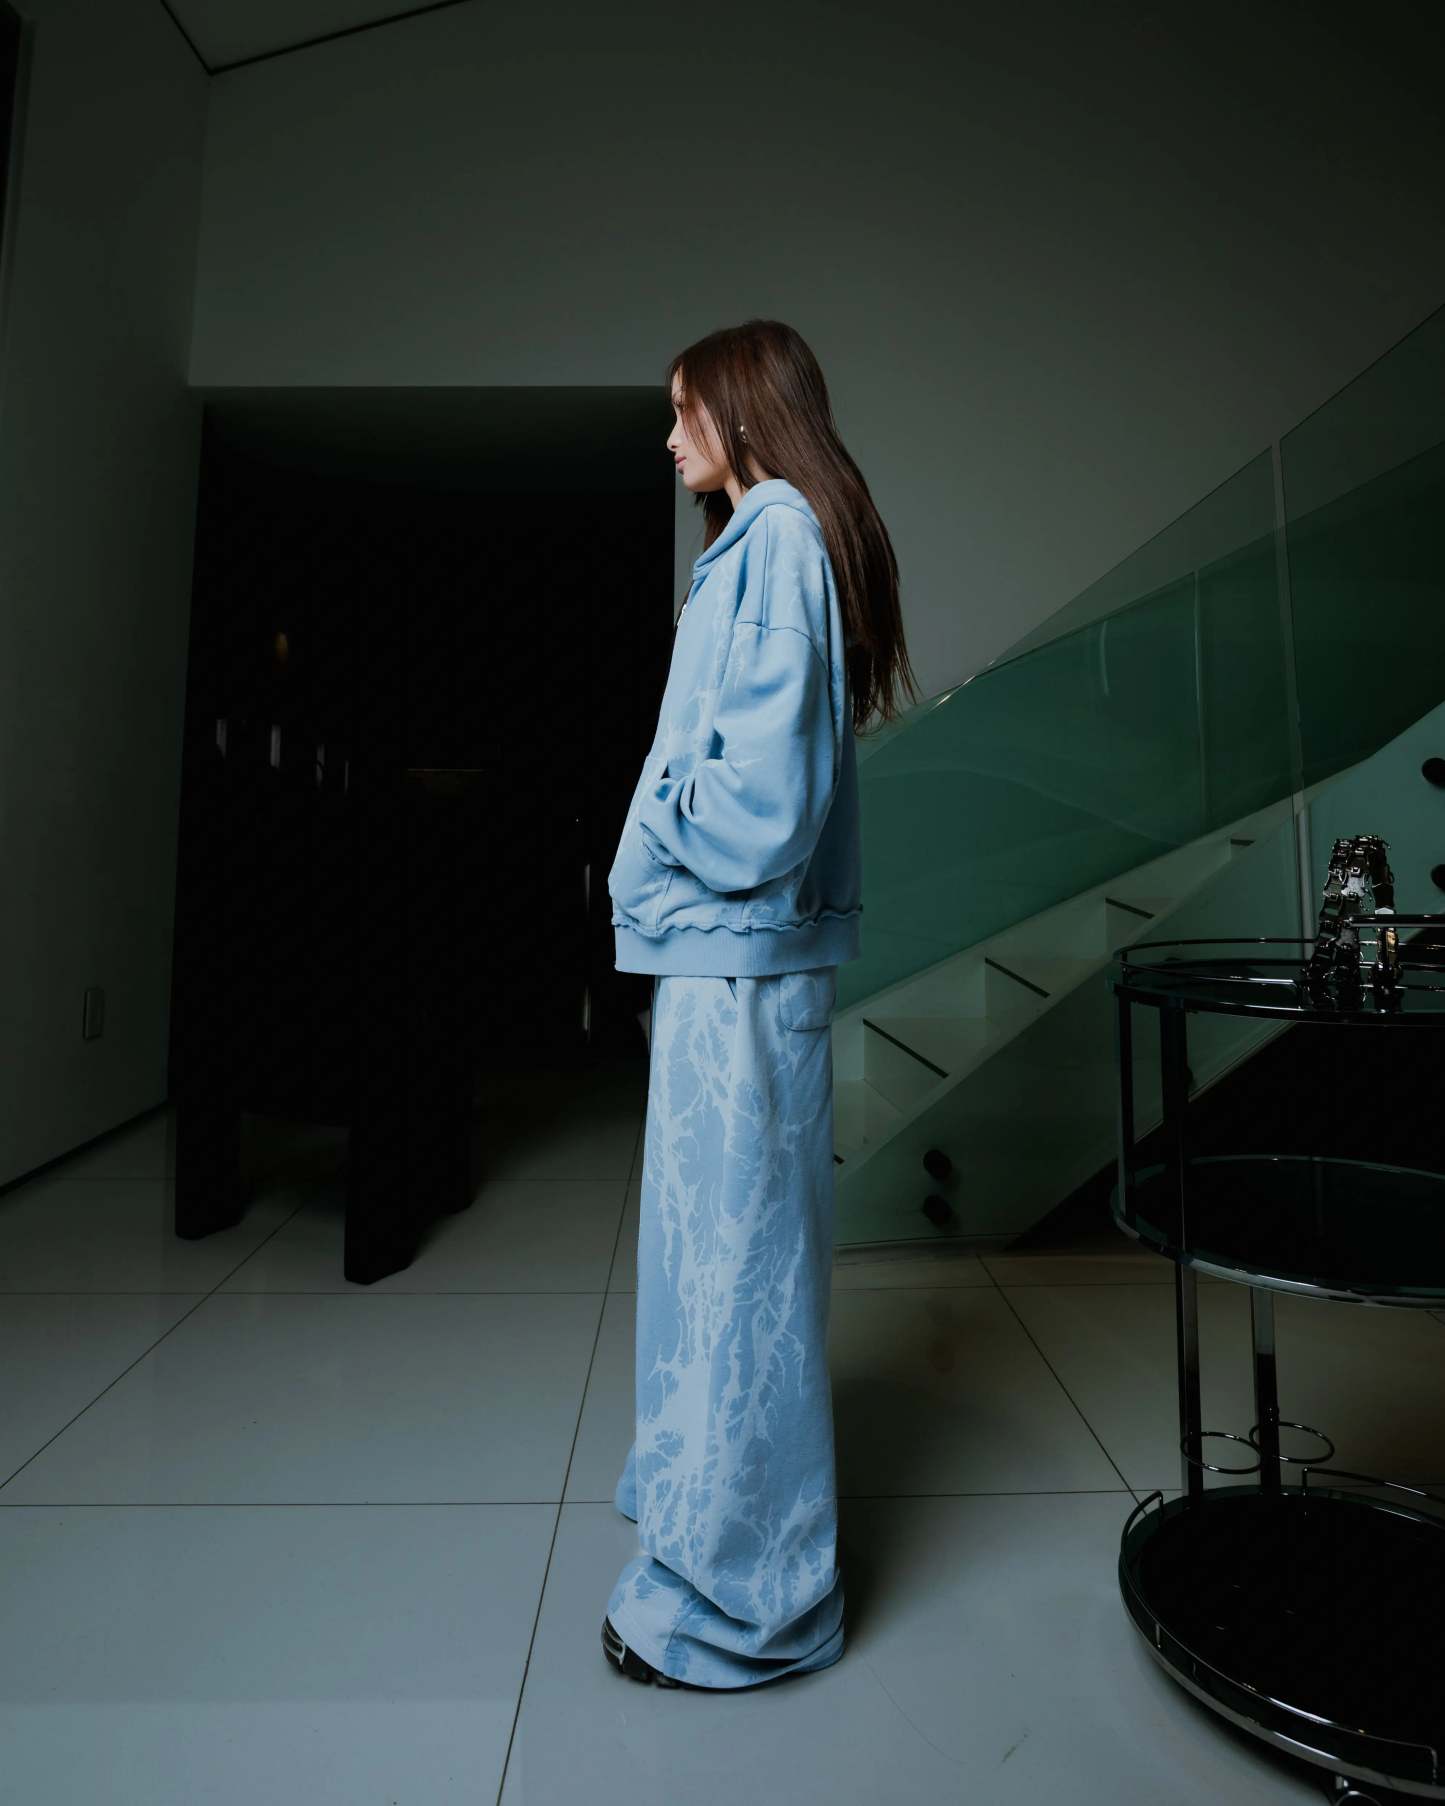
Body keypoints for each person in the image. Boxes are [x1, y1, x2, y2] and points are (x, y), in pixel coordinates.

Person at [602, 318, 920, 1691]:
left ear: (742, 411)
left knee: (737, 1286)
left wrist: (654, 810)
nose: (671, 436)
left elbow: (765, 806)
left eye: (686, 410)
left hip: (737, 968)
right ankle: (704, 1547)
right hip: (722, 965)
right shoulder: (761, 542)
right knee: (713, 1278)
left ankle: (752, 1612)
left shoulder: (778, 536)